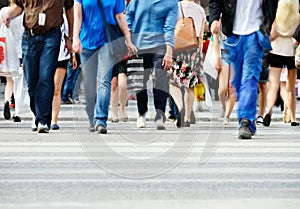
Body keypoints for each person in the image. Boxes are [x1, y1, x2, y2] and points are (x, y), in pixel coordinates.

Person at [3, 0, 74, 133]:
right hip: (29, 36)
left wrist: (70, 37)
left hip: (52, 35)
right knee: (31, 81)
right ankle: (37, 113)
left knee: (46, 76)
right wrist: (9, 15)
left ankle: (43, 119)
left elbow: (70, 10)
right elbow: (19, 6)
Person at [209, 0, 277, 139]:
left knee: (250, 77)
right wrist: (214, 19)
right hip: (233, 35)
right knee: (239, 82)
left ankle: (245, 121)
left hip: (255, 32)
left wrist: (273, 22)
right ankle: (249, 121)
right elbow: (215, 1)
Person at [72, 0, 137, 134]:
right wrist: (75, 38)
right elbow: (77, 16)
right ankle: (92, 117)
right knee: (90, 84)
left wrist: (128, 40)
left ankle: (101, 120)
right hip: (87, 42)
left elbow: (120, 17)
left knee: (104, 81)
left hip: (107, 41)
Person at [126, 0, 178, 130]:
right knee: (140, 81)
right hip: (139, 45)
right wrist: (129, 40)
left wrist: (169, 52)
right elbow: (128, 17)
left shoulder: (171, 3)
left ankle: (160, 114)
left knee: (161, 76)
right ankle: (141, 113)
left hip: (160, 46)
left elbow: (169, 28)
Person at [167, 0, 205, 128]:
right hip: (194, 50)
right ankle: (187, 118)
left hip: (177, 49)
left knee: (172, 83)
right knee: (191, 85)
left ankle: (180, 107)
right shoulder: (200, 10)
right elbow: (201, 34)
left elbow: (170, 28)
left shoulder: (176, 7)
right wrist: (199, 52)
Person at [263, 0, 300, 127]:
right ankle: (294, 118)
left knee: (273, 86)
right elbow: (296, 35)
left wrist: (279, 33)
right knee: (290, 88)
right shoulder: (297, 17)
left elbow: (272, 35)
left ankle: (268, 112)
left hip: (276, 51)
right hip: (291, 53)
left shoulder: (278, 16)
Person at [50, 13, 71, 131]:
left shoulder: (65, 16)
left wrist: (73, 55)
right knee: (44, 86)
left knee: (57, 89)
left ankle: (54, 120)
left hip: (61, 55)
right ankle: (41, 117)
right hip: (45, 54)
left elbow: (69, 36)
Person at [211, 32, 236, 125]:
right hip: (224, 53)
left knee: (232, 88)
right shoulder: (220, 21)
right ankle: (224, 106)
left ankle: (227, 116)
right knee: (223, 88)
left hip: (237, 54)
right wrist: (217, 57)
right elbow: (215, 37)